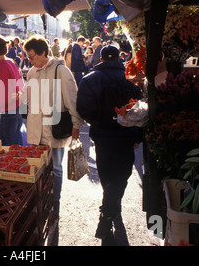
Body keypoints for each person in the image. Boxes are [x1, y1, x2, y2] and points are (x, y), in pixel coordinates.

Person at [76, 45, 142, 243]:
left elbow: (83, 109)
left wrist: (97, 122)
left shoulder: (89, 80)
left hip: (102, 137)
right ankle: (112, 208)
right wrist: (137, 135)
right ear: (119, 59)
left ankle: (107, 215)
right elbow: (140, 112)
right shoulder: (131, 82)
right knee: (121, 175)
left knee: (106, 175)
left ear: (102, 59)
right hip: (126, 136)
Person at [22, 35, 85, 220]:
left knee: (56, 167)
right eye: (28, 56)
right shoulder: (32, 72)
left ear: (43, 53)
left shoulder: (61, 71)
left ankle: (55, 202)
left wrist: (76, 124)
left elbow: (72, 100)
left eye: (32, 56)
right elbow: (28, 98)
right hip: (36, 129)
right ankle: (41, 198)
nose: (30, 60)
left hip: (54, 128)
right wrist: (20, 98)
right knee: (38, 167)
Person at [0, 34, 24, 146]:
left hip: (6, 114)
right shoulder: (10, 62)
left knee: (4, 148)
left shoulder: (2, 66)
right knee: (15, 148)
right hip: (15, 111)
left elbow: (3, 97)